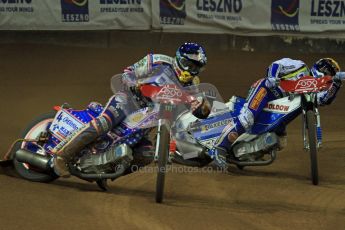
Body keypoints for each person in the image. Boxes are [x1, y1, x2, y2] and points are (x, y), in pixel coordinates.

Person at [53, 42, 210, 177]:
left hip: (149, 118)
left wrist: (202, 108)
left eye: (196, 68)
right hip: (128, 101)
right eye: (188, 65)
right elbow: (127, 73)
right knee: (104, 123)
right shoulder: (157, 61)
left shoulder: (193, 84)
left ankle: (106, 173)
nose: (190, 71)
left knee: (146, 154)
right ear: (178, 59)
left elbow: (198, 107)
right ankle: (61, 157)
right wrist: (134, 82)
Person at [212, 57, 344, 168]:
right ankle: (220, 148)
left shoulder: (313, 91)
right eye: (329, 72)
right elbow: (276, 65)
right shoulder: (300, 66)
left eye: (332, 75)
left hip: (278, 107)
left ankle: (241, 154)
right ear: (321, 67)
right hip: (267, 90)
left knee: (280, 141)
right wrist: (272, 77)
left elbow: (323, 100)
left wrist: (337, 84)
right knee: (247, 118)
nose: (329, 76)